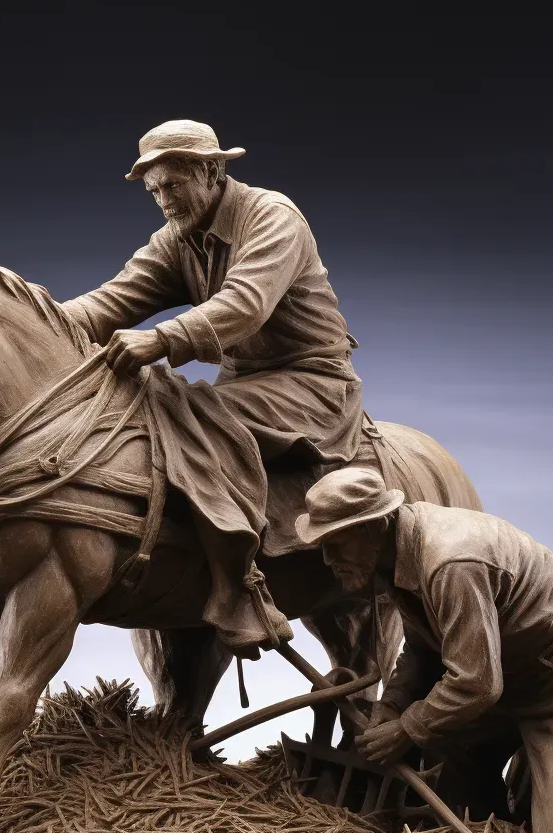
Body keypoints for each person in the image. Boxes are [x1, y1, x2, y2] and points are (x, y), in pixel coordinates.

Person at [59, 120, 363, 655]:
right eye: (153, 192)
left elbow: (246, 303)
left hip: (310, 380)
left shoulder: (272, 217)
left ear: (212, 171)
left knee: (180, 409)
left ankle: (240, 587)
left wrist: (161, 340)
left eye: (173, 185)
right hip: (244, 381)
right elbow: (112, 301)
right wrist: (33, 323)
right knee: (151, 407)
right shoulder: (178, 239)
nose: (163, 201)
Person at [294, 466, 553, 833]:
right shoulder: (395, 555)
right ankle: (537, 792)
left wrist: (408, 727)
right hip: (504, 681)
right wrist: (392, 707)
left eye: (337, 543)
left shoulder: (451, 562)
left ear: (374, 526)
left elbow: (477, 684)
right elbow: (422, 647)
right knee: (461, 804)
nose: (327, 559)